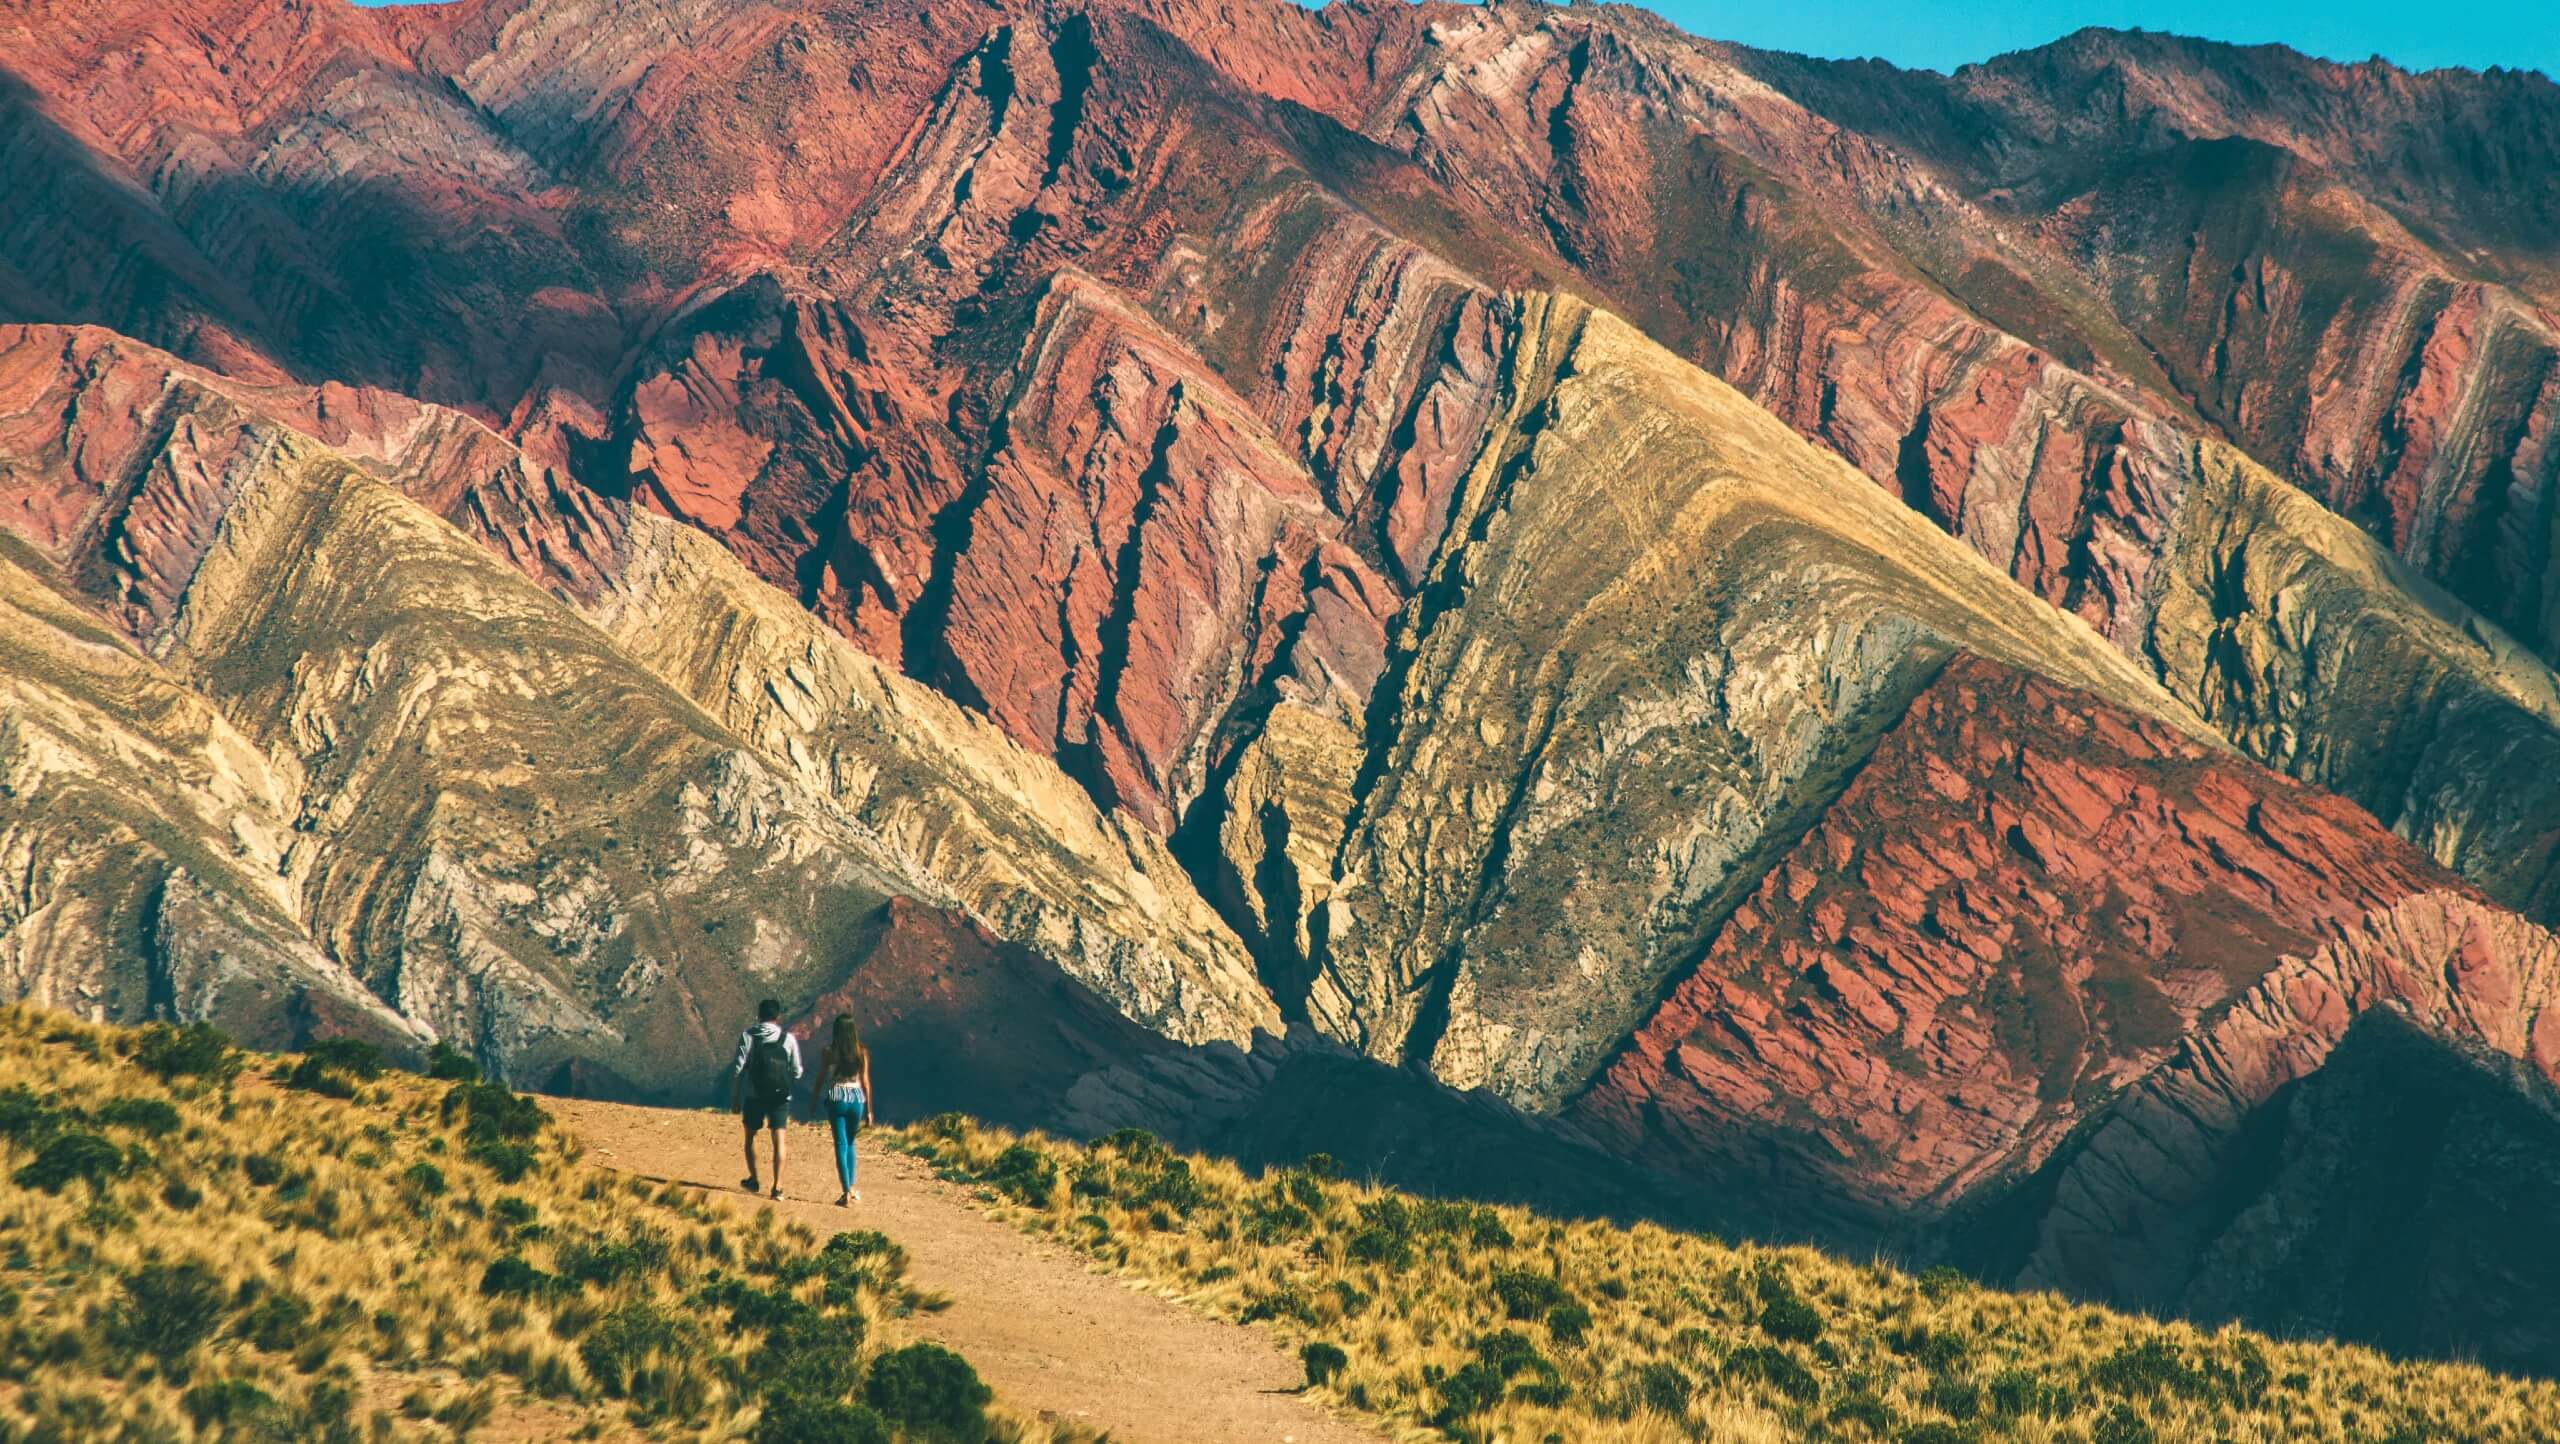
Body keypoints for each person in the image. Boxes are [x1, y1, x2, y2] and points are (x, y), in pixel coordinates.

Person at [731, 999, 802, 1199]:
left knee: (750, 1138)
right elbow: (797, 1070)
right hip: (780, 1097)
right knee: (779, 1141)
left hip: (754, 1095)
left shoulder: (749, 1035)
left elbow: (738, 1068)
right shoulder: (788, 1039)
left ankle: (753, 1179)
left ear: (759, 1015)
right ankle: (777, 1187)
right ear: (777, 1017)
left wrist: (735, 1096)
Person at [808, 1013, 874, 1206]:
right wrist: (869, 1111)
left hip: (837, 1096)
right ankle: (852, 1188)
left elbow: (821, 1078)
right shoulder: (862, 1052)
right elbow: (866, 1082)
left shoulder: (829, 1052)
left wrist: (813, 1101)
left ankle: (845, 1191)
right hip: (856, 1099)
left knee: (840, 1144)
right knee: (851, 1143)